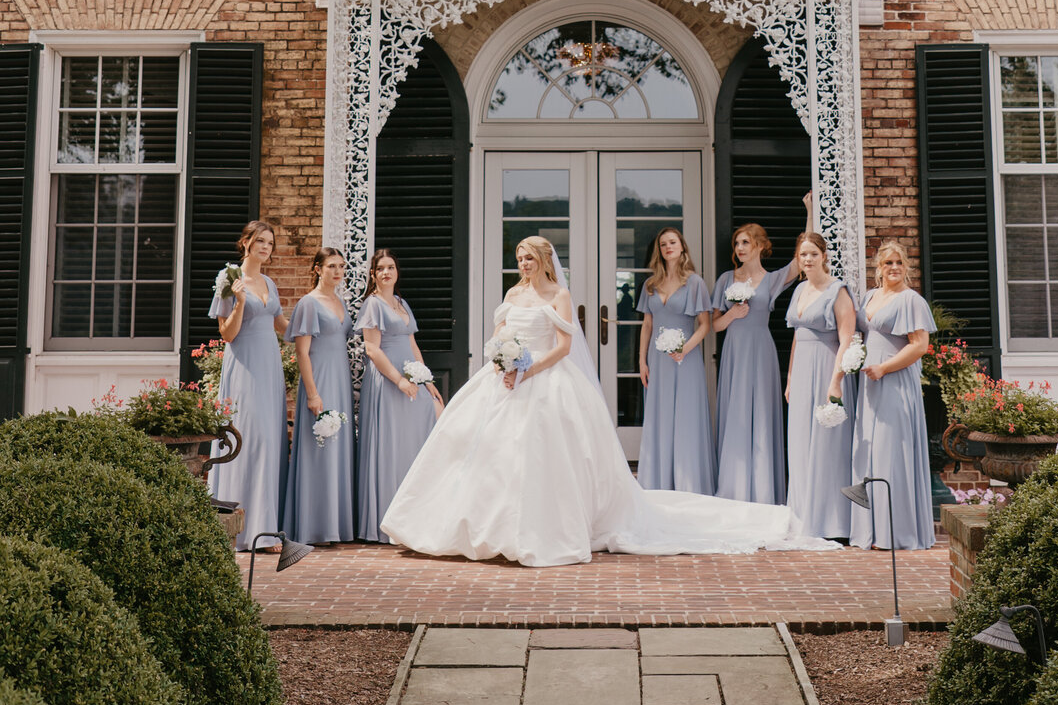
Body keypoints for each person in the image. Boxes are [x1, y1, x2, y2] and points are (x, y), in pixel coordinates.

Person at [380, 235, 839, 566]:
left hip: (542, 378)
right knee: (484, 450)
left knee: (544, 454)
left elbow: (562, 347)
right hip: (504, 380)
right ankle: (471, 526)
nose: (522, 264)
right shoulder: (513, 293)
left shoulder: (559, 294)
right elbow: (500, 334)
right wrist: (500, 362)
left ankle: (542, 529)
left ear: (543, 261)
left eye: (528, 258)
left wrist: (527, 369)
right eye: (518, 258)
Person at [849, 239, 936, 551]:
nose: (895, 268)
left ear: (906, 267)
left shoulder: (911, 300)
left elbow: (920, 346)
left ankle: (894, 532)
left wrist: (884, 368)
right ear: (879, 268)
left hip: (895, 381)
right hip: (870, 384)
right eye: (889, 263)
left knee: (890, 452)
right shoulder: (870, 296)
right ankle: (870, 531)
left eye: (900, 262)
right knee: (869, 451)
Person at [208, 218, 290, 550]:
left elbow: (282, 324)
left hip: (269, 368)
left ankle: (264, 527)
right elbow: (227, 334)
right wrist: (240, 302)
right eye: (260, 241)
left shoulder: (269, 282)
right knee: (248, 439)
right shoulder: (229, 278)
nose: (266, 247)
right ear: (246, 243)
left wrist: (318, 318)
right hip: (244, 368)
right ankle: (236, 527)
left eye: (270, 243)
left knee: (269, 442)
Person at [354, 248, 443, 543]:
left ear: (396, 271)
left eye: (390, 267)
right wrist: (399, 381)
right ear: (373, 274)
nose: (386, 272)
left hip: (413, 381)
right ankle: (386, 523)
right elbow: (372, 349)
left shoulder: (402, 303)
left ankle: (414, 518)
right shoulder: (373, 304)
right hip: (387, 383)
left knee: (415, 443)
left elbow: (412, 343)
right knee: (390, 448)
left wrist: (426, 379)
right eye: (381, 268)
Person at [711, 222, 800, 504]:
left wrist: (810, 213)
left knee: (761, 412)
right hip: (735, 351)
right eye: (737, 244)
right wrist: (732, 314)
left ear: (761, 246)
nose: (739, 248)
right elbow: (713, 325)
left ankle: (762, 490)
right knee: (736, 411)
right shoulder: (726, 279)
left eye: (745, 243)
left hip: (761, 350)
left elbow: (799, 263)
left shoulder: (772, 280)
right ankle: (733, 488)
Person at [784, 229, 859, 540]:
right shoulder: (799, 289)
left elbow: (846, 338)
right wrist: (788, 378)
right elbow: (796, 338)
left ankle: (831, 522)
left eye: (813, 253)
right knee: (800, 443)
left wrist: (836, 381)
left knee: (827, 447)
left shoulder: (837, 290)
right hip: (801, 373)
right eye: (803, 254)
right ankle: (803, 515)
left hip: (827, 368)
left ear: (824, 256)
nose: (808, 259)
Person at [283, 247, 355, 544]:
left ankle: (335, 525)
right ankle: (315, 526)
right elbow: (301, 351)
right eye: (331, 266)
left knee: (337, 451)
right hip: (320, 381)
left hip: (341, 380)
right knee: (318, 450)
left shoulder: (340, 301)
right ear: (317, 269)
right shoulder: (309, 304)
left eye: (341, 266)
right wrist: (312, 394)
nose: (337, 272)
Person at [637, 227, 715, 494]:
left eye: (672, 242)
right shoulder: (650, 285)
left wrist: (685, 348)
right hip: (658, 361)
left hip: (685, 359)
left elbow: (705, 325)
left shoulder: (694, 283)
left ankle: (687, 483)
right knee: (659, 415)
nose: (668, 247)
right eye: (663, 244)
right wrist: (642, 361)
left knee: (685, 416)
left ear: (682, 247)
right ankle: (657, 482)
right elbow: (647, 325)